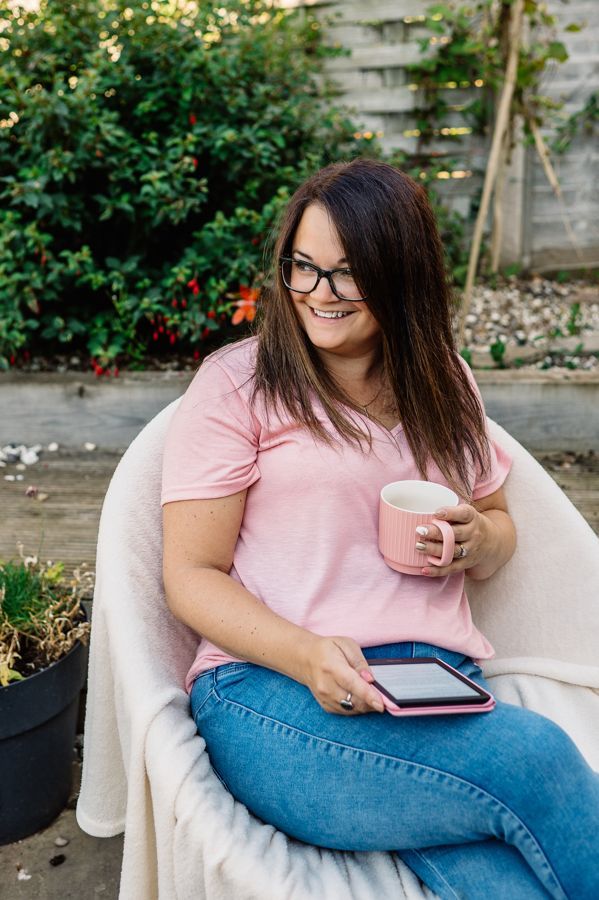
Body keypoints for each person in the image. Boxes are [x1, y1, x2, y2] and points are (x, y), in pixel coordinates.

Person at [161, 158, 599, 899]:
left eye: (345, 272)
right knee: (537, 761)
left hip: (431, 688)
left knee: (505, 885)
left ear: (400, 273)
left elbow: (496, 525)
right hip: (274, 694)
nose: (316, 294)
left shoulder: (443, 380)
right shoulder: (237, 385)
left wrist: (475, 539)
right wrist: (306, 656)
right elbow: (189, 576)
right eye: (301, 267)